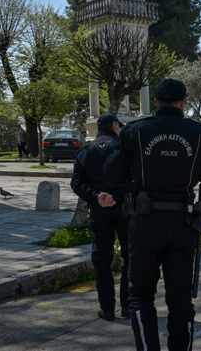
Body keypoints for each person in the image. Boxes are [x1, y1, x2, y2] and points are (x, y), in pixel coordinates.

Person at [104, 79, 201, 351]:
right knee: (180, 297)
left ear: (157, 102)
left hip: (144, 223)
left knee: (141, 295)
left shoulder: (135, 131)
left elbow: (112, 176)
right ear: (183, 102)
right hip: (182, 223)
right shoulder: (200, 133)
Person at [71, 113, 129, 321]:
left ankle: (107, 309)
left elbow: (77, 183)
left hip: (99, 211)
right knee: (129, 258)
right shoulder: (124, 148)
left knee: (102, 260)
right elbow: (136, 179)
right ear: (115, 125)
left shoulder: (85, 150)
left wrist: (98, 197)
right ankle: (128, 307)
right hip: (124, 209)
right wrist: (117, 196)